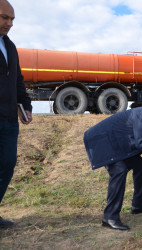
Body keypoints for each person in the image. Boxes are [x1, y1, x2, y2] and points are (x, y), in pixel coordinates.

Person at [0, 0, 33, 228]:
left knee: (8, 164)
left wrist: (26, 104)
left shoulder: (10, 46)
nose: (9, 23)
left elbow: (17, 80)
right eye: (4, 17)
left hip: (9, 119)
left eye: (12, 19)